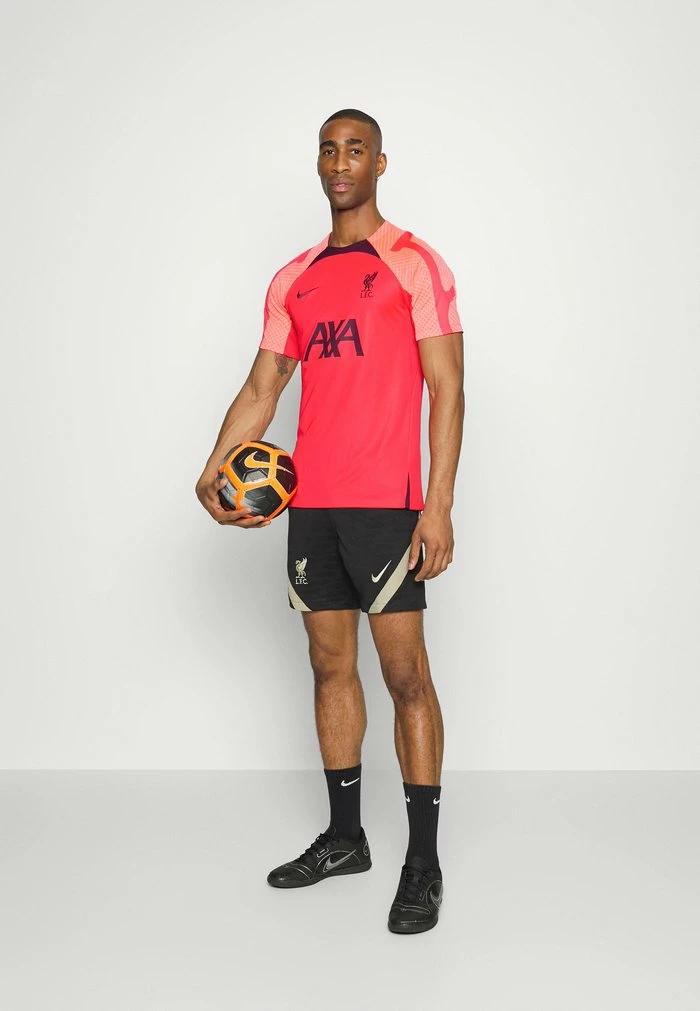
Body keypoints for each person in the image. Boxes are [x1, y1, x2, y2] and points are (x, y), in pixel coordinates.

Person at [196, 109, 464, 934]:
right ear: (318, 164)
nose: (340, 162)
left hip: (388, 507)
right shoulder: (295, 278)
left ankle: (423, 862)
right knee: (328, 667)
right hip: (311, 506)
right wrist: (214, 465)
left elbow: (449, 388)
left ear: (380, 163)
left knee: (406, 676)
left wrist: (439, 503)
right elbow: (264, 385)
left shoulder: (414, 263)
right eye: (328, 149)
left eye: (355, 149)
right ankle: (347, 839)